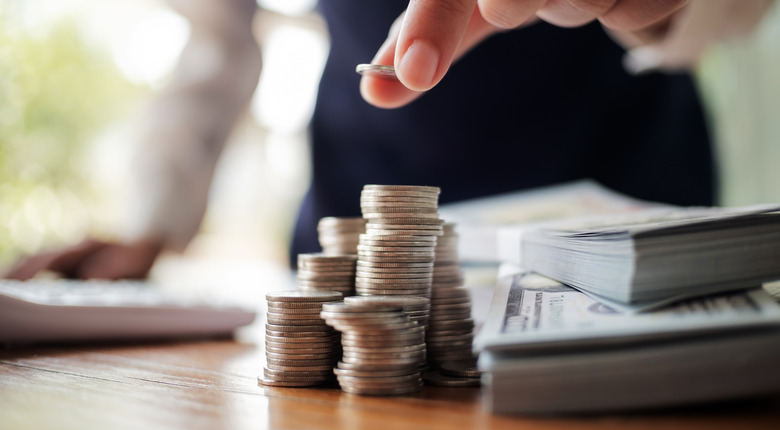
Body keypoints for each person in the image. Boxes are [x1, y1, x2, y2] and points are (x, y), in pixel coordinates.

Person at [4, 0, 773, 280]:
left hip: (623, 168)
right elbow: (214, 38)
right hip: (359, 187)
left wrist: (672, 6)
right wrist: (152, 221)